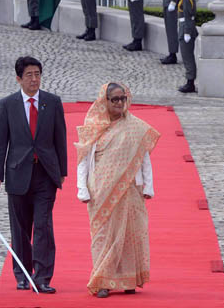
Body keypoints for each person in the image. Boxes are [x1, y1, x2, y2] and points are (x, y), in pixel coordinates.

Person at [0, 56, 67, 294]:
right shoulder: (8, 104)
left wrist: (62, 171)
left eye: (37, 74)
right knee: (21, 228)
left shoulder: (52, 102)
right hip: (17, 174)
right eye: (29, 75)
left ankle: (42, 276)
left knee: (44, 225)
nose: (34, 79)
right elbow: (0, 142)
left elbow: (60, 139)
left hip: (45, 174)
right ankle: (23, 274)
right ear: (18, 79)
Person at [76, 82, 160, 298]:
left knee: (130, 234)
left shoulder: (136, 127)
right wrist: (82, 189)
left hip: (130, 190)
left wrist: (148, 186)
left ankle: (128, 278)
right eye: (115, 99)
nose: (120, 103)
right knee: (103, 237)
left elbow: (144, 159)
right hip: (100, 191)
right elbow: (83, 160)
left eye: (123, 98)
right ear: (105, 101)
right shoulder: (94, 126)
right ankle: (102, 280)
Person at [177, 0, 197, 93]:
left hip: (186, 27)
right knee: (186, 56)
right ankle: (189, 81)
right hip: (184, 26)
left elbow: (189, 15)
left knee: (188, 57)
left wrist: (187, 32)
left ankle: (190, 83)